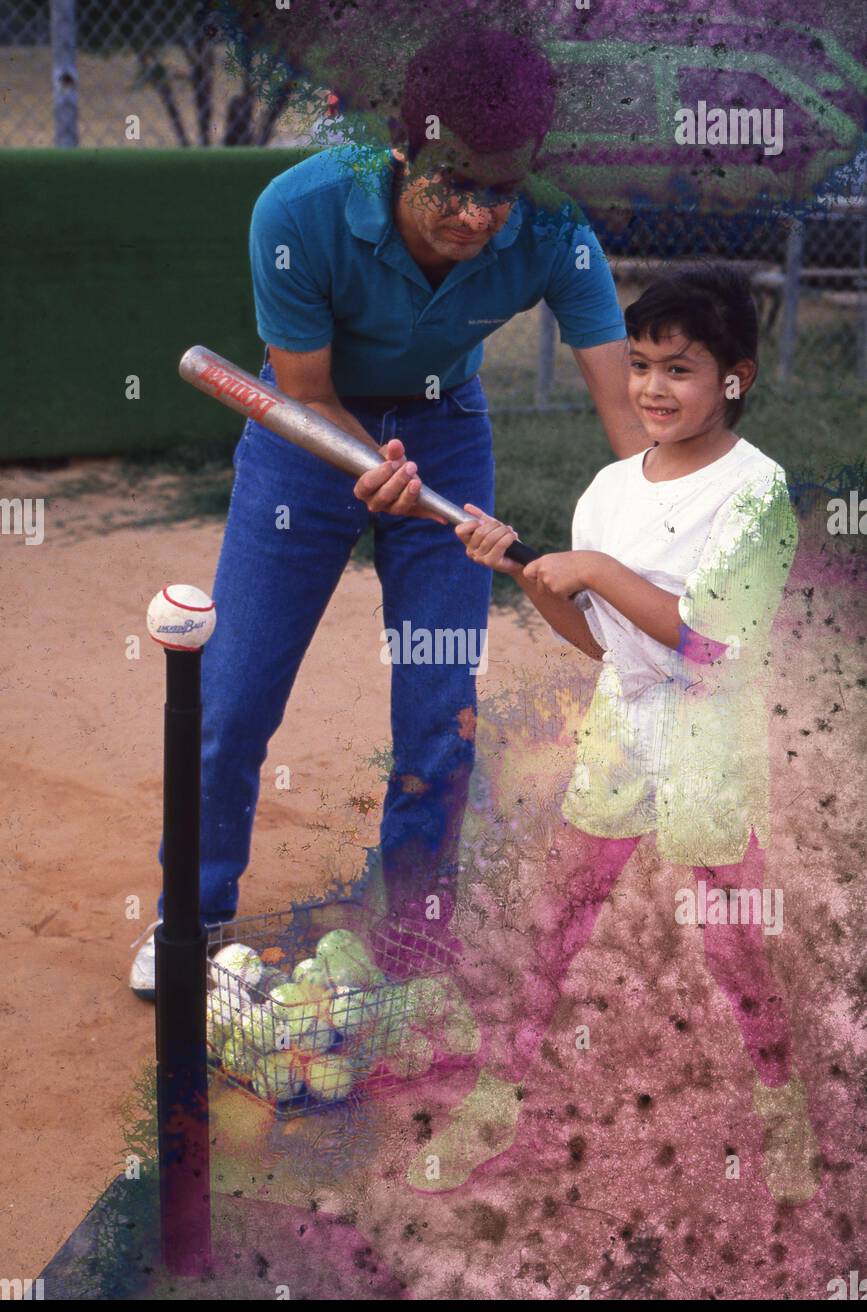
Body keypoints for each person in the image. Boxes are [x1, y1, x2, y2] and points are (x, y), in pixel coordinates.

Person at [130, 24, 650, 999]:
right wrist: (372, 465)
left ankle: (411, 935)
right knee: (235, 698)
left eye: (500, 190)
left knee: (439, 709)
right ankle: (189, 915)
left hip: (446, 427)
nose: (477, 215)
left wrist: (678, 529)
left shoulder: (551, 228)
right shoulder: (300, 210)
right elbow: (306, 390)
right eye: (453, 184)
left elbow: (628, 413)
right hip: (308, 433)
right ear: (404, 146)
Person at [416, 265, 821, 1206]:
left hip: (707, 736)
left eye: (679, 368)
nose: (650, 388)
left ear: (735, 378)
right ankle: (497, 1096)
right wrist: (531, 576)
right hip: (622, 725)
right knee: (556, 919)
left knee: (733, 942)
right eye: (639, 364)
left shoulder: (756, 492)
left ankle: (780, 1103)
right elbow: (598, 642)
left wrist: (592, 566)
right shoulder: (605, 488)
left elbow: (712, 643)